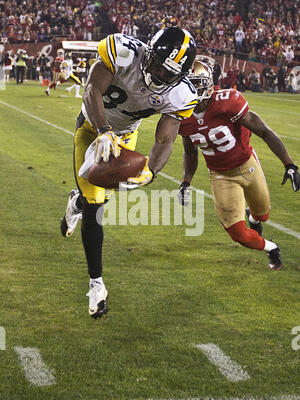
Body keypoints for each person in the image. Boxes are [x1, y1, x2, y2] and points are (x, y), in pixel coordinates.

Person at [60, 27, 197, 319]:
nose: (160, 75)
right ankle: (96, 285)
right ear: (149, 52)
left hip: (125, 136)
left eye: (169, 72)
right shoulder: (123, 52)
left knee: (99, 198)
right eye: (159, 64)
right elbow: (92, 89)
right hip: (93, 127)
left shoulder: (181, 94)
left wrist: (151, 172)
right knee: (96, 209)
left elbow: (165, 139)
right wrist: (103, 130)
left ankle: (77, 203)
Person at [177, 60, 300, 271]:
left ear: (208, 84)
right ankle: (271, 247)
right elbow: (190, 151)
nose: (192, 89)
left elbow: (264, 131)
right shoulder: (181, 115)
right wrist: (186, 182)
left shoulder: (228, 101)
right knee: (238, 234)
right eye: (188, 84)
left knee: (262, 215)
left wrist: (289, 164)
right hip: (220, 176)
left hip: (247, 165)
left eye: (197, 83)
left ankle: (254, 217)